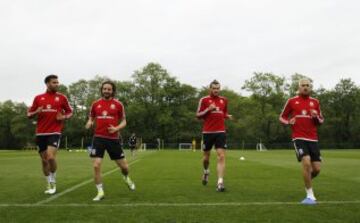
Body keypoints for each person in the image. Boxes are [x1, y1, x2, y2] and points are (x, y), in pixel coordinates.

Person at [85, 81, 135, 201]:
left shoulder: (118, 105)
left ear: (113, 91)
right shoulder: (95, 104)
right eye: (105, 89)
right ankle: (100, 192)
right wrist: (89, 122)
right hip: (98, 138)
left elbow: (124, 121)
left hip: (113, 139)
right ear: (101, 90)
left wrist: (116, 128)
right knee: (96, 165)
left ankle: (126, 177)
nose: (106, 91)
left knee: (124, 167)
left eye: (109, 89)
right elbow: (91, 117)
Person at [279, 78, 324, 205]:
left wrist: (316, 117)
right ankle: (310, 195)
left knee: (317, 169)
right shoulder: (292, 101)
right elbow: (281, 117)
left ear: (311, 88)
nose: (305, 87)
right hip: (299, 137)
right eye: (303, 85)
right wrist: (288, 122)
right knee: (306, 162)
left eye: (307, 85)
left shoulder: (315, 102)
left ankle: (307, 179)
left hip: (313, 139)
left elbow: (321, 120)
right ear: (298, 87)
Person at [27, 74, 73, 195]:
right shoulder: (38, 98)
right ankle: (48, 182)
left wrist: (63, 116)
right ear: (47, 84)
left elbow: (70, 112)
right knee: (44, 161)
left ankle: (53, 181)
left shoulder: (62, 98)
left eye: (57, 82)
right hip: (41, 133)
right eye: (54, 82)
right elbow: (29, 114)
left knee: (51, 157)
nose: (57, 84)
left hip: (55, 131)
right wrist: (37, 111)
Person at [196, 80, 233, 192]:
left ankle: (220, 182)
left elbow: (223, 113)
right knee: (206, 158)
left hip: (221, 132)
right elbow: (197, 115)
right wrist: (208, 109)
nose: (216, 90)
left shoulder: (224, 100)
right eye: (214, 88)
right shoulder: (204, 100)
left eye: (218, 88)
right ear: (210, 89)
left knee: (221, 156)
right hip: (207, 132)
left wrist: (227, 116)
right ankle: (206, 172)